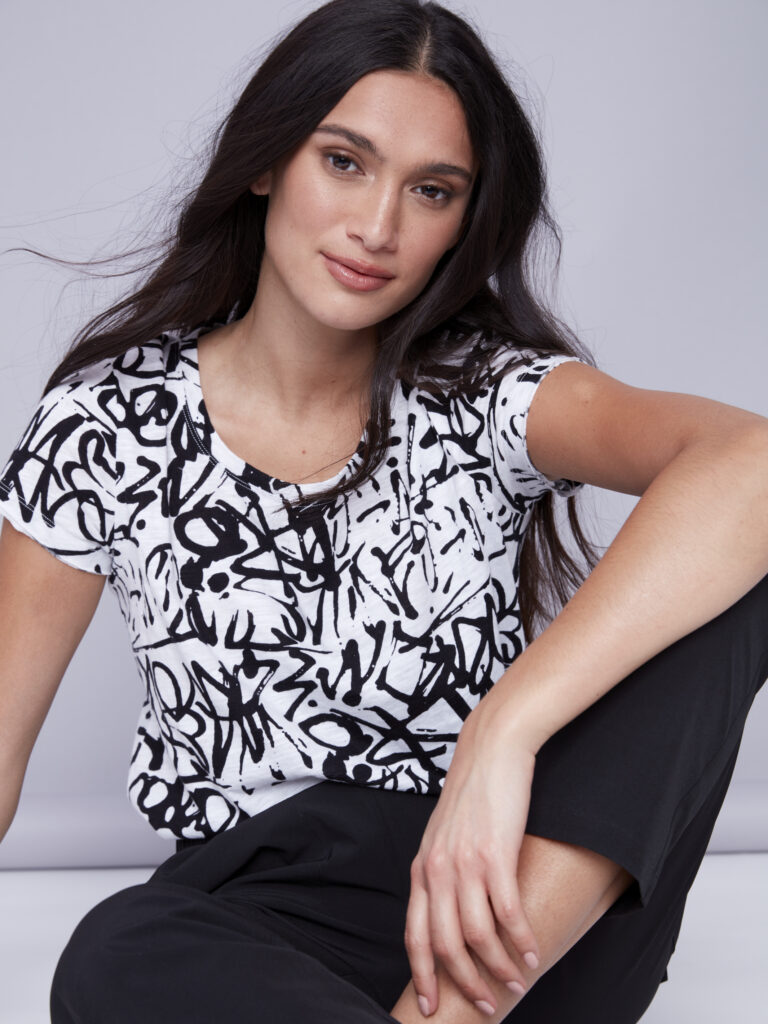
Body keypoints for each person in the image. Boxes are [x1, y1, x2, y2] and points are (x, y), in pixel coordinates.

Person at [0, 0, 766, 1021]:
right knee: (111, 949)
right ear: (268, 161)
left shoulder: (490, 391)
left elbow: (750, 462)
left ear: (465, 218)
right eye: (345, 162)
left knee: (732, 569)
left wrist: (502, 733)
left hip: (522, 913)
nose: (378, 228)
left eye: (433, 190)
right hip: (260, 924)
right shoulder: (111, 421)